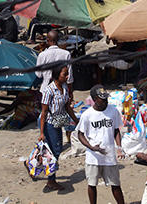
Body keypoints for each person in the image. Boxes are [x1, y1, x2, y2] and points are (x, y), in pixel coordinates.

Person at [77, 85, 126, 204]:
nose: (105, 101)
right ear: (94, 99)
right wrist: (91, 147)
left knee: (115, 184)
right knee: (92, 184)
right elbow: (80, 134)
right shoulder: (87, 115)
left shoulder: (113, 111)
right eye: (102, 99)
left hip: (109, 155)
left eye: (106, 99)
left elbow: (116, 131)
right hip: (93, 157)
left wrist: (119, 148)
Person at [38, 64, 79, 192]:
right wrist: (41, 132)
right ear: (57, 75)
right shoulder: (49, 90)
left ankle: (32, 164)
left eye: (67, 74)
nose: (67, 77)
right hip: (49, 122)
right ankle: (51, 181)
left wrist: (77, 121)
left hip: (59, 120)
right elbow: (44, 113)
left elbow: (67, 107)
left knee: (51, 149)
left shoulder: (65, 88)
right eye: (64, 74)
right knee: (55, 151)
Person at [36, 30, 73, 101]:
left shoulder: (42, 55)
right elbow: (69, 78)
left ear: (47, 40)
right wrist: (70, 92)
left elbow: (39, 75)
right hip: (61, 90)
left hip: (46, 89)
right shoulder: (66, 54)